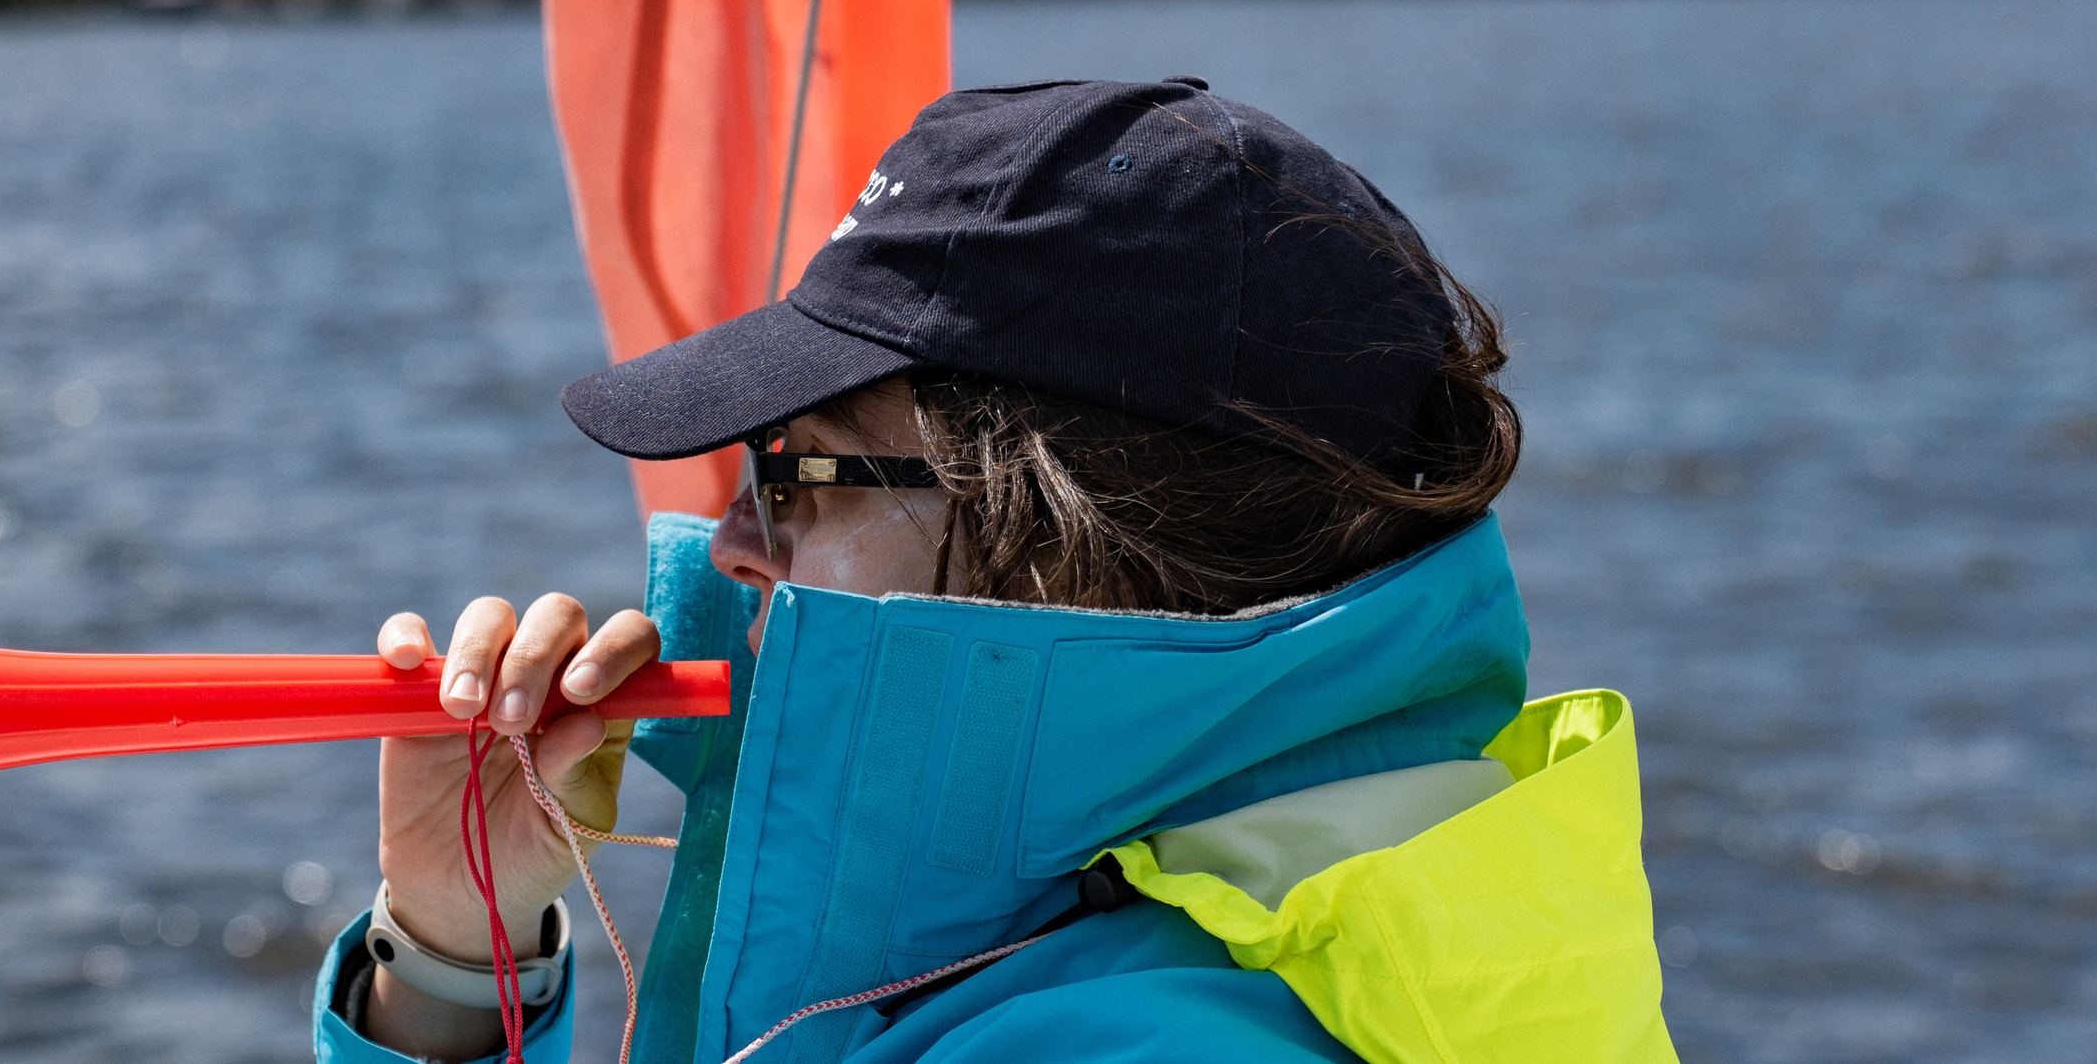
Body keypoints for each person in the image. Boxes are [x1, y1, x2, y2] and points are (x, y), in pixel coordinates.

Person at [314, 77, 1676, 1064]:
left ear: (1084, 544)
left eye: (802, 471)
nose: (730, 538)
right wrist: (447, 946)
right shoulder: (1115, 940)